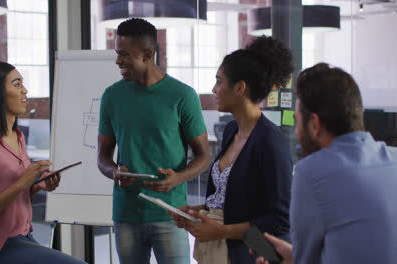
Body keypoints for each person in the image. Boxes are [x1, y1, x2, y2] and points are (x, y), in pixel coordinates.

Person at [254, 63, 397, 264]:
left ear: (314, 124)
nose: (296, 132)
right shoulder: (394, 158)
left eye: (297, 121)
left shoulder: (311, 173)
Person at [170, 36, 294, 264]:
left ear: (240, 88)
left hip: (253, 255)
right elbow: (231, 199)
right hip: (218, 252)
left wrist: (222, 231)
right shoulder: (230, 130)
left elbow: (279, 220)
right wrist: (197, 212)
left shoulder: (271, 142)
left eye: (219, 81)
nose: (214, 89)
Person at [97, 18, 211, 264]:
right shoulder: (111, 96)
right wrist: (114, 172)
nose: (118, 61)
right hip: (126, 214)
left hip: (171, 214)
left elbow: (204, 155)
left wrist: (178, 177)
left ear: (148, 55)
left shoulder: (183, 96)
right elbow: (102, 157)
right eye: (118, 53)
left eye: (124, 54)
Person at [0, 62, 86, 264]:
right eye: (17, 85)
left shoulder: (18, 138)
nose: (25, 91)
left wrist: (36, 186)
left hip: (23, 237)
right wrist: (22, 184)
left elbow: (16, 197)